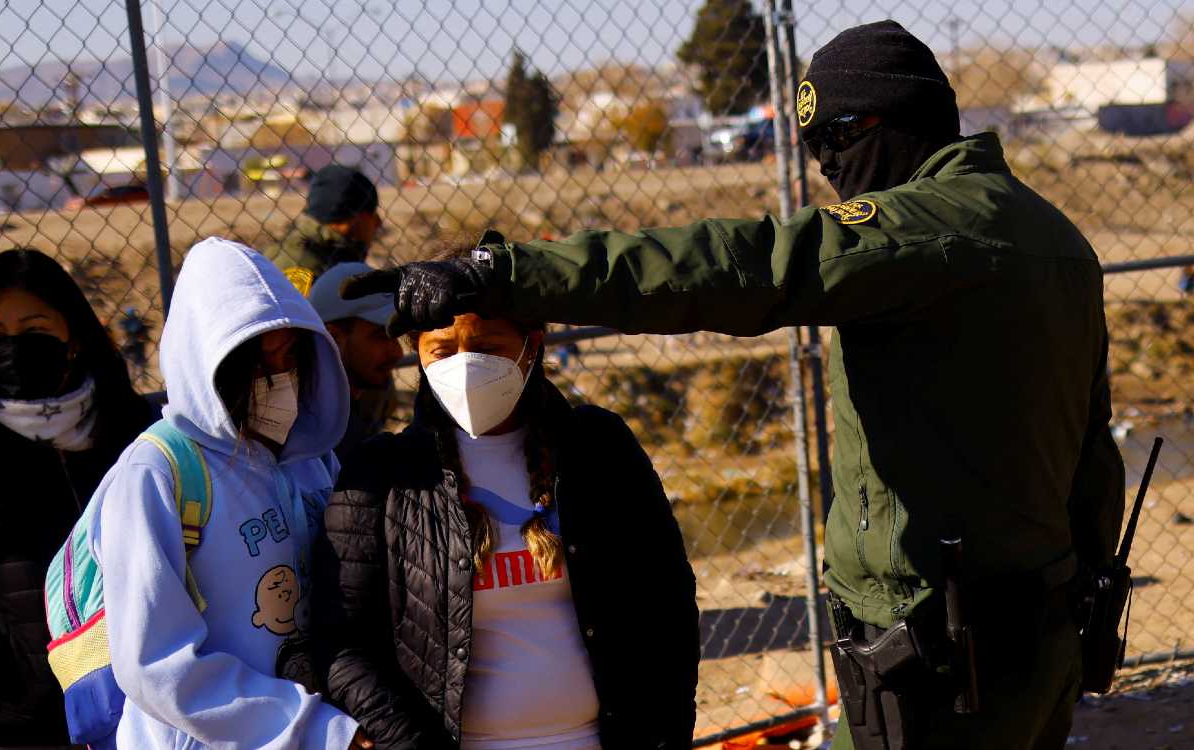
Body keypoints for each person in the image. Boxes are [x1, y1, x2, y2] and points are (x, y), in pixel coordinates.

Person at [341, 20, 1126, 750]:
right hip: (1042, 635)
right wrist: (1089, 597)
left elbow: (740, 265)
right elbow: (1093, 449)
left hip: (941, 664)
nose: (828, 166)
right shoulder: (1056, 238)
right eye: (814, 146)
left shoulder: (920, 230)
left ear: (904, 118)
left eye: (840, 137)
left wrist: (506, 273)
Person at [312, 246, 700, 750]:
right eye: (443, 351)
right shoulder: (383, 475)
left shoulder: (598, 450)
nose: (465, 367)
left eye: (488, 347)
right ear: (419, 355)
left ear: (531, 345)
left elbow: (668, 605)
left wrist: (664, 735)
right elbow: (340, 642)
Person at [85, 238, 370, 749]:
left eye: (290, 357)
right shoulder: (159, 473)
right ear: (208, 363)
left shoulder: (311, 458)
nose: (279, 379)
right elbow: (157, 664)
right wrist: (312, 730)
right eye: (257, 362)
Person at [0, 248, 153, 748]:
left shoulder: (135, 434)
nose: (13, 347)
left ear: (74, 337)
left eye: (35, 329)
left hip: (139, 707)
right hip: (20, 723)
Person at [309, 262, 404, 461]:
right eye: (381, 336)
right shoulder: (314, 431)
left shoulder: (342, 414)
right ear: (333, 338)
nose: (397, 352)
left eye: (395, 336)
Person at [265, 165, 382, 293]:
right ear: (355, 218)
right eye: (373, 213)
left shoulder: (324, 250)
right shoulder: (303, 265)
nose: (379, 222)